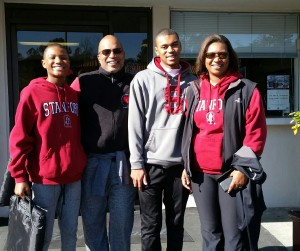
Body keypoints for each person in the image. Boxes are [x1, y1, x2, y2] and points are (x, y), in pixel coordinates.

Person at [181, 34, 267, 251]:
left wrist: (242, 169)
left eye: (222, 54)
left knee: (235, 237)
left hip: (231, 173)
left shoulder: (246, 89)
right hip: (201, 175)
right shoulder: (193, 90)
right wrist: (186, 165)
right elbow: (189, 132)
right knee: (210, 234)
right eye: (211, 55)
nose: (216, 59)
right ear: (203, 58)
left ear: (230, 58)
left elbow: (255, 133)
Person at [8, 43, 87, 251]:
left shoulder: (73, 95)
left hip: (73, 178)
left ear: (69, 63)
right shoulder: (32, 93)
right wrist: (19, 177)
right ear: (44, 63)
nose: (58, 61)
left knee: (70, 234)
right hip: (44, 179)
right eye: (52, 57)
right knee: (42, 235)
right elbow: (19, 137)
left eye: (63, 57)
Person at [129, 28, 197, 251]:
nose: (170, 50)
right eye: (165, 46)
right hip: (150, 165)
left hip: (180, 168)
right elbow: (135, 124)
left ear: (180, 46)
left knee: (176, 224)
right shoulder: (142, 79)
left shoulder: (194, 82)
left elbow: (197, 128)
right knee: (150, 226)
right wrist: (137, 164)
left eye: (174, 44)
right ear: (156, 50)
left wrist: (190, 165)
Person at [71, 35, 136, 251]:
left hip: (122, 163)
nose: (112, 56)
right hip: (93, 163)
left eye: (116, 51)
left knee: (122, 223)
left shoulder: (134, 82)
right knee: (92, 221)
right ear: (98, 56)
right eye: (106, 52)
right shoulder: (83, 82)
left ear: (123, 54)